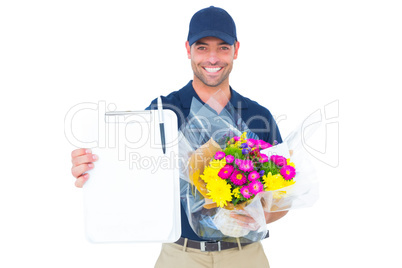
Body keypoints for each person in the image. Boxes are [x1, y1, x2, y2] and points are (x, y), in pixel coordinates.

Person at [71, 6, 287, 267]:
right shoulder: (163, 112)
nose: (212, 58)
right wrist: (95, 171)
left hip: (244, 255)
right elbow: (130, 174)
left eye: (223, 47)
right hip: (181, 256)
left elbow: (284, 196)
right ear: (188, 49)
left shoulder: (257, 115)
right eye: (202, 47)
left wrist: (259, 216)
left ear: (236, 50)